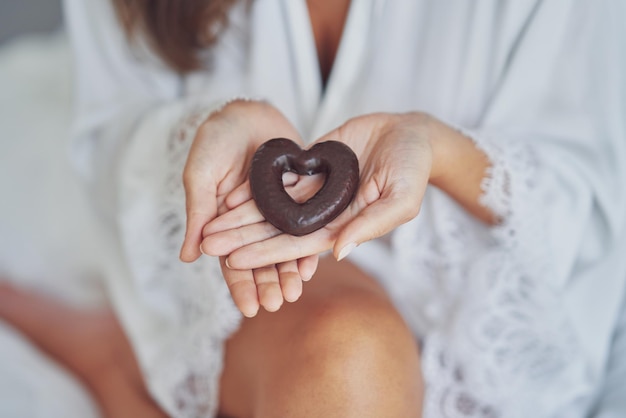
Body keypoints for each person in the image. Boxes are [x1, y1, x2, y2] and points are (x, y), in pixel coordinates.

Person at [1, 0, 625, 417]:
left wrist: (437, 150)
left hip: (475, 291)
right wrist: (208, 133)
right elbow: (115, 123)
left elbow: (588, 192)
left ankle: (121, 374)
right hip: (264, 289)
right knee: (349, 353)